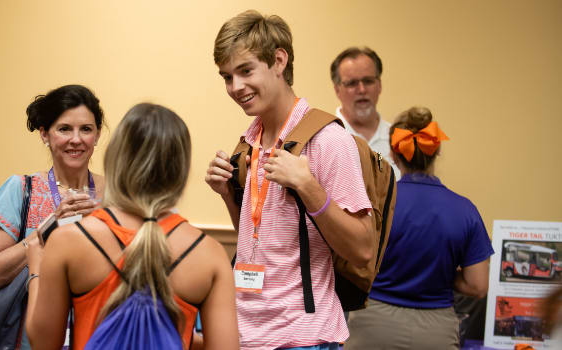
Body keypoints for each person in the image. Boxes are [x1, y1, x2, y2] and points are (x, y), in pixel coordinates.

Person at [206, 10, 374, 349]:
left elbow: (363, 250)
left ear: (279, 60)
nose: (235, 87)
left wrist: (309, 188)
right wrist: (228, 196)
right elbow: (262, 242)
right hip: (247, 333)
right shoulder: (249, 142)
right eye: (227, 77)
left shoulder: (328, 141)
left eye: (245, 70)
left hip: (304, 338)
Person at [25, 103, 239, 350]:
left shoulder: (69, 241)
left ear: (114, 159)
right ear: (182, 169)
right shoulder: (208, 253)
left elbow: (42, 343)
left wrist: (36, 268)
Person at [344, 107, 493, 349]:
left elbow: (350, 259)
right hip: (436, 331)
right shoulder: (465, 210)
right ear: (437, 150)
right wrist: (442, 273)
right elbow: (477, 286)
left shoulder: (377, 204)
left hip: (373, 325)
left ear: (393, 153)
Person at [0, 84, 105, 349]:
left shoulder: (116, 194)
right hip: (29, 339)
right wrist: (49, 227)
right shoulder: (20, 189)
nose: (76, 139)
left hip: (98, 335)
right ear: (45, 135)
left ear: (97, 135)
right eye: (64, 129)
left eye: (86, 129)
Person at [331, 46, 400, 177]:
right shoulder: (325, 140)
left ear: (379, 85)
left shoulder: (399, 140)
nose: (362, 90)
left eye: (368, 81)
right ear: (337, 90)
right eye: (352, 83)